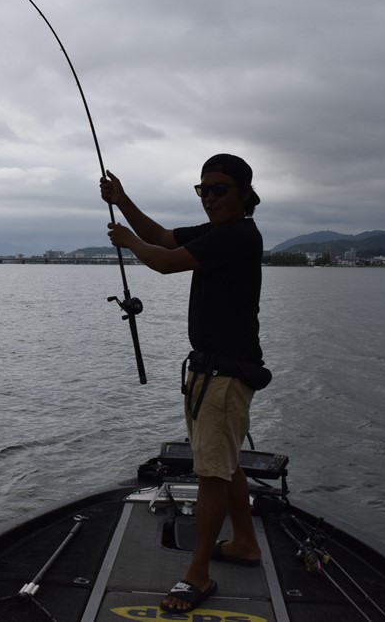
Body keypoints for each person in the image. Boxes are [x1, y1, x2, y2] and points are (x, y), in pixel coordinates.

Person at [100, 153, 267, 615]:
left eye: (219, 189)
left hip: (226, 375)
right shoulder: (217, 232)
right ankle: (245, 544)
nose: (209, 198)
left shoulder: (237, 235)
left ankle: (197, 574)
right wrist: (123, 199)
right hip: (209, 371)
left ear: (244, 194)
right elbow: (161, 237)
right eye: (203, 190)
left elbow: (161, 260)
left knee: (211, 471)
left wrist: (126, 240)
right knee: (224, 462)